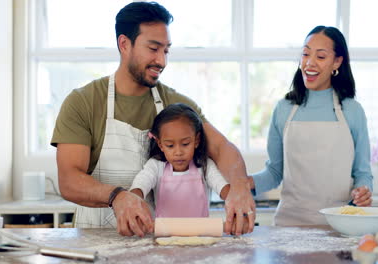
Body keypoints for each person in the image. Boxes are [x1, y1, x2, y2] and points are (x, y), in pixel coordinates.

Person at [51, 1, 254, 237]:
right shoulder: (83, 102)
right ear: (124, 44)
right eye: (153, 48)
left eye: (166, 50)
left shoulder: (178, 107)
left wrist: (239, 186)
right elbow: (69, 180)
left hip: (157, 245)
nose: (162, 61)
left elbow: (221, 148)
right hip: (96, 240)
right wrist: (117, 196)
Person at [249, 26, 373, 226]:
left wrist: (363, 191)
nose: (309, 63)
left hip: (340, 225)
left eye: (321, 57)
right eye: (305, 54)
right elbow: (274, 172)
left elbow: (363, 174)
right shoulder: (284, 109)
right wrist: (246, 183)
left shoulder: (352, 111)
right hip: (289, 226)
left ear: (337, 61)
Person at [129, 103, 230, 219]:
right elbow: (141, 183)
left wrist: (234, 200)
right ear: (160, 145)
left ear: (196, 140)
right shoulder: (156, 166)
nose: (178, 152)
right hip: (165, 234)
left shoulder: (205, 165)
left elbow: (221, 186)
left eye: (185, 144)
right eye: (170, 145)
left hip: (200, 234)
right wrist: (134, 199)